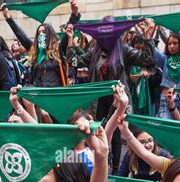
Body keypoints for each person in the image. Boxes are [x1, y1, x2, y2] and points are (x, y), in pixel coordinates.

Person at [66, 16, 155, 173]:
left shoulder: (124, 50)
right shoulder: (94, 52)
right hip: (98, 102)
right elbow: (73, 61)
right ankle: (101, 166)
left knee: (115, 135)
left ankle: (115, 171)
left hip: (117, 100)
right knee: (100, 132)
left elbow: (146, 59)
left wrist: (148, 38)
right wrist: (70, 39)